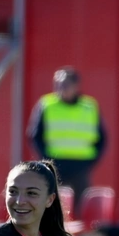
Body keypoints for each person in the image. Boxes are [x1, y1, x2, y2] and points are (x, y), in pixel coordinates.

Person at [27, 67, 107, 210]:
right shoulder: (47, 105)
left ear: (76, 86)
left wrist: (91, 161)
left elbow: (102, 138)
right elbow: (35, 135)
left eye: (65, 84)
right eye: (57, 84)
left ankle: (78, 234)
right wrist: (46, 160)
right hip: (56, 165)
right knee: (54, 208)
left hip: (81, 166)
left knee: (81, 209)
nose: (60, 88)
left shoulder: (89, 106)